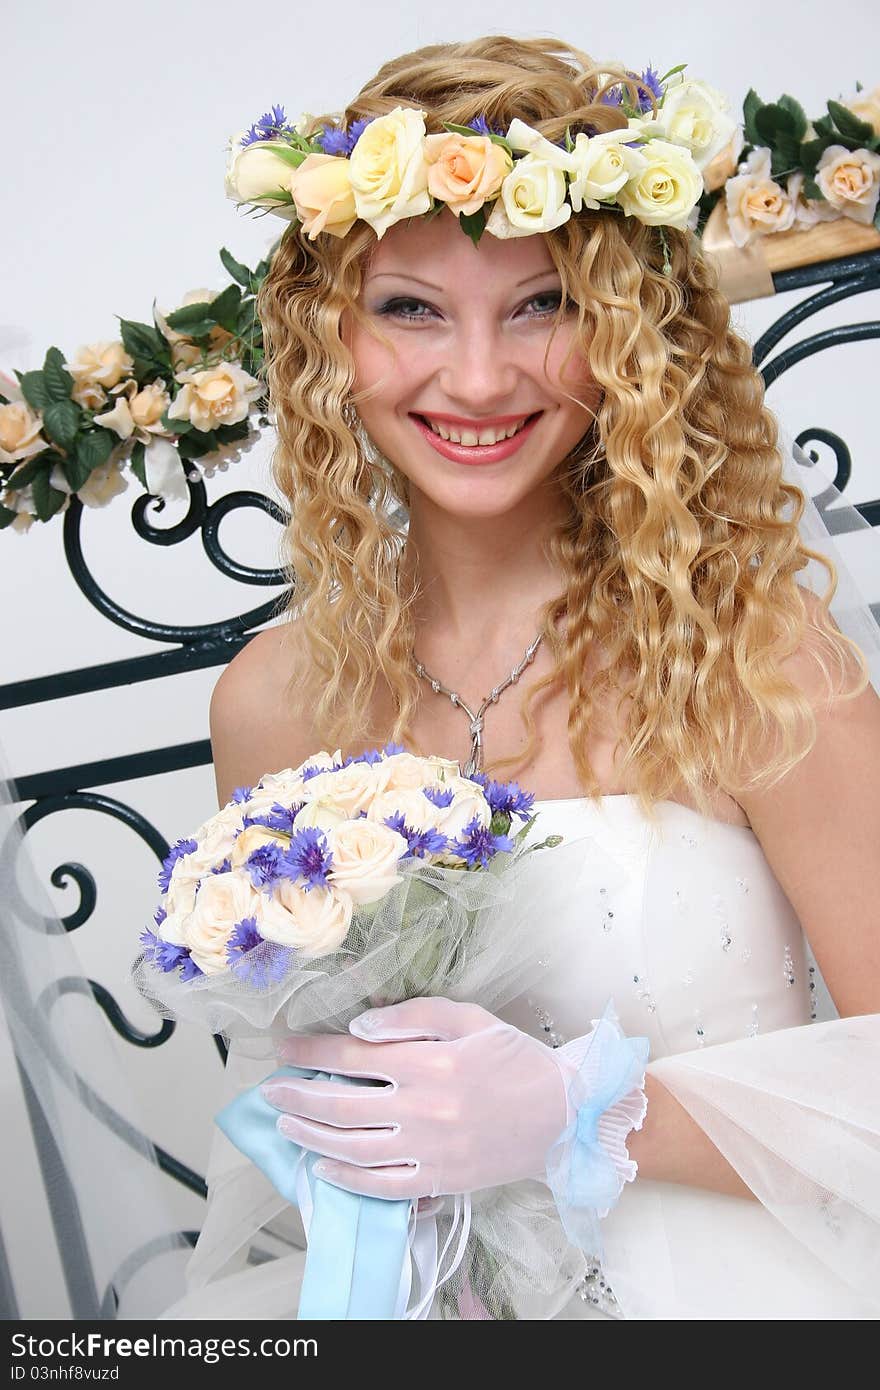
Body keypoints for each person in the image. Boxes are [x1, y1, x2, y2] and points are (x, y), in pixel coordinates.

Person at [161, 34, 880, 1319]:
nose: (481, 376)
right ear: (331, 340)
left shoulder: (750, 656)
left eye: (541, 302)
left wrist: (581, 1113)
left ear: (623, 333)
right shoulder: (273, 703)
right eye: (410, 307)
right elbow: (305, 1085)